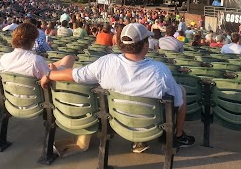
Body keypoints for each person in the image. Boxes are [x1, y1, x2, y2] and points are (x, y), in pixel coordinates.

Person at [41, 23, 195, 153]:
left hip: (118, 122)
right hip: (151, 125)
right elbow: (176, 103)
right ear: (145, 44)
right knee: (179, 92)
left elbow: (75, 75)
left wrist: (49, 74)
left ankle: (139, 141)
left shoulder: (106, 62)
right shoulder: (160, 70)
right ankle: (178, 135)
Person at [0, 23, 74, 78]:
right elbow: (50, 77)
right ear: (33, 40)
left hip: (11, 99)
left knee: (65, 60)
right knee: (69, 59)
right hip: (34, 100)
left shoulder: (4, 58)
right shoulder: (36, 60)